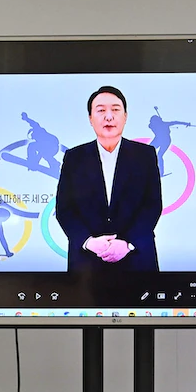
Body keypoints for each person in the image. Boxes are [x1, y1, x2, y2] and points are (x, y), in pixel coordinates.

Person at [55, 86, 162, 273]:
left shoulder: (145, 155)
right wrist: (89, 242)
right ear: (90, 119)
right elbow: (65, 209)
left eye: (115, 109)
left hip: (137, 260)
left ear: (125, 116)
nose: (109, 116)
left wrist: (127, 243)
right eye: (101, 110)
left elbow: (152, 206)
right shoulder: (74, 157)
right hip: (87, 264)